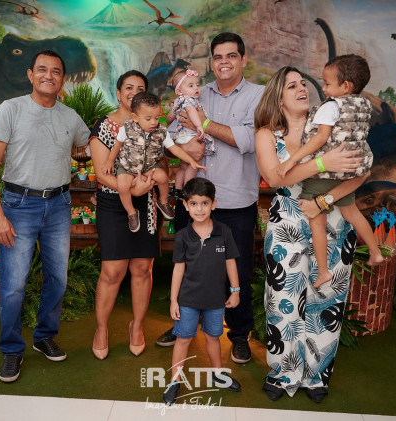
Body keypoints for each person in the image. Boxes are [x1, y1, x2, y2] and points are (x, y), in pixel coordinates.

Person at [254, 66, 364, 403]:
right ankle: (283, 373)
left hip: (333, 220)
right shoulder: (266, 134)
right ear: (278, 97)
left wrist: (323, 201)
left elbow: (362, 171)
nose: (302, 88)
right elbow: (276, 178)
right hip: (286, 222)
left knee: (326, 299)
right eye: (292, 86)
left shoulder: (332, 121)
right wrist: (323, 163)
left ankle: (316, 376)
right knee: (282, 301)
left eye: (303, 83)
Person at [0, 50, 91, 383]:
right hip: (19, 205)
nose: (49, 75)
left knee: (57, 278)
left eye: (56, 71)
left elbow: (90, 145)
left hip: (59, 205)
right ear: (30, 75)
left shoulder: (70, 116)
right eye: (42, 69)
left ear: (62, 79)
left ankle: (44, 336)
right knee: (13, 285)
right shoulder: (11, 109)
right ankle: (11, 350)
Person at [156, 32, 265, 366]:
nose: (224, 62)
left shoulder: (259, 96)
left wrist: (204, 123)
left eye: (231, 56)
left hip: (236, 202)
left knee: (238, 272)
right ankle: (183, 325)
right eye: (218, 57)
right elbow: (168, 140)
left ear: (243, 59)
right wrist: (184, 147)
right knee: (188, 268)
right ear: (212, 62)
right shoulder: (196, 92)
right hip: (194, 202)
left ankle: (239, 335)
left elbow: (247, 140)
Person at [276, 54, 384, 288]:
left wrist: (292, 160)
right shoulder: (363, 105)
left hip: (326, 174)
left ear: (345, 86)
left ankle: (323, 271)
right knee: (352, 213)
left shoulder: (330, 107)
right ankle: (375, 251)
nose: (323, 89)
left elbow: (320, 139)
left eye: (327, 83)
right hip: (351, 170)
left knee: (316, 221)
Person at [90, 71, 159, 360]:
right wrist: (132, 187)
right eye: (128, 87)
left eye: (140, 88)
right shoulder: (104, 126)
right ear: (118, 93)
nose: (134, 92)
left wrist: (148, 184)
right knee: (112, 271)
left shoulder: (153, 124)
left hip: (147, 203)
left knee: (142, 269)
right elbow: (101, 173)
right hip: (112, 204)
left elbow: (160, 163)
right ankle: (101, 329)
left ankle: (137, 326)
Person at [163, 178, 242, 405]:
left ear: (213, 204)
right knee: (183, 339)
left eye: (205, 203)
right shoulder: (183, 236)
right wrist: (173, 300)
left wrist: (235, 291)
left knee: (213, 337)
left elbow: (230, 262)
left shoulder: (224, 232)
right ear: (186, 205)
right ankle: (174, 381)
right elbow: (178, 269)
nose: (200, 209)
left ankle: (218, 374)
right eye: (194, 203)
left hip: (215, 300)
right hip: (187, 300)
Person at [102, 91, 206, 232]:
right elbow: (117, 146)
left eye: (156, 118)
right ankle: (131, 212)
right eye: (148, 118)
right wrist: (109, 161)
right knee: (122, 185)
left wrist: (191, 160)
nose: (153, 122)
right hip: (128, 166)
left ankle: (163, 202)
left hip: (150, 165)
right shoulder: (126, 129)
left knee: (162, 177)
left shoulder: (161, 131)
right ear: (135, 117)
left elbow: (174, 148)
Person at [169, 68, 215, 192]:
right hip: (190, 136)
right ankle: (187, 188)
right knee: (194, 164)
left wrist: (169, 121)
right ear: (179, 91)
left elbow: (170, 117)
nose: (196, 88)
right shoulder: (189, 100)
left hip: (181, 136)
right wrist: (199, 125)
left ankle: (177, 189)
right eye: (191, 86)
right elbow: (191, 111)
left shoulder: (178, 101)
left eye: (197, 85)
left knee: (183, 166)